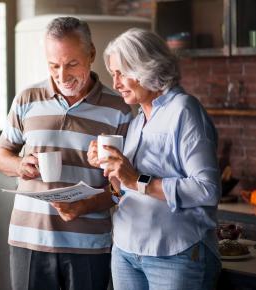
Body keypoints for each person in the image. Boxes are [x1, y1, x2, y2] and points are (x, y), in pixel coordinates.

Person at [0, 17, 132, 290]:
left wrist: (85, 205)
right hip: (28, 239)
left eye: (72, 64)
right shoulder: (27, 99)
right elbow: (1, 155)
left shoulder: (119, 109)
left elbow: (122, 188)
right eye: (53, 65)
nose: (62, 75)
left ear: (91, 54)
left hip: (89, 244)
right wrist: (20, 165)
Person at [87, 28, 221, 290]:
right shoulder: (138, 121)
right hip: (126, 251)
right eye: (113, 73)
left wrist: (136, 179)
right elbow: (125, 192)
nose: (115, 83)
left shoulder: (184, 110)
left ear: (145, 67)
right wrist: (113, 172)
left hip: (173, 254)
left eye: (121, 73)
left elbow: (207, 189)